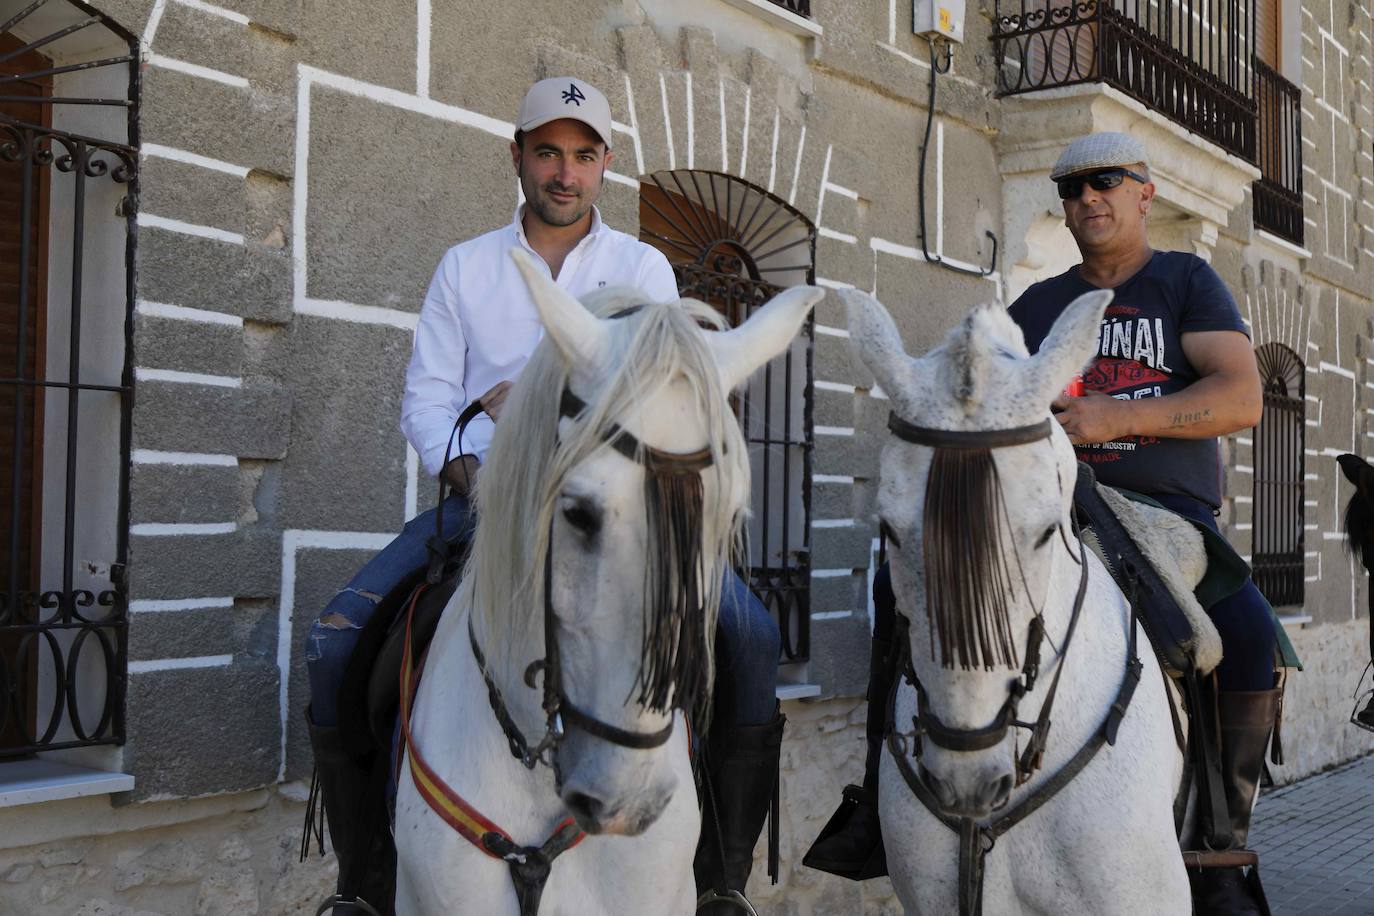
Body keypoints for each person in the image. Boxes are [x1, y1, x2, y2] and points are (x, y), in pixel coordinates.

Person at [303, 76, 783, 912]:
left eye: (585, 156)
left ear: (605, 166)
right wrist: (477, 476)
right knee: (337, 639)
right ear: (518, 156)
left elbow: (667, 388)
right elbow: (425, 397)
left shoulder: (641, 268)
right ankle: (365, 884)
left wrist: (528, 390)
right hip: (482, 499)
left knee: (749, 635)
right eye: (550, 153)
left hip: (618, 511)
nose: (567, 173)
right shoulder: (466, 267)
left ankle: (723, 883)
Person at [808, 132, 1279, 915]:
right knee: (904, 588)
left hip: (1164, 514)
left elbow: (1241, 399)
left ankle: (1220, 848)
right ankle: (876, 800)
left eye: (1106, 181)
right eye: (1072, 187)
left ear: (1144, 193)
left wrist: (1112, 416)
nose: (1087, 198)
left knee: (1250, 634)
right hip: (1053, 501)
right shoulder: (1036, 306)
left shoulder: (1185, 282)